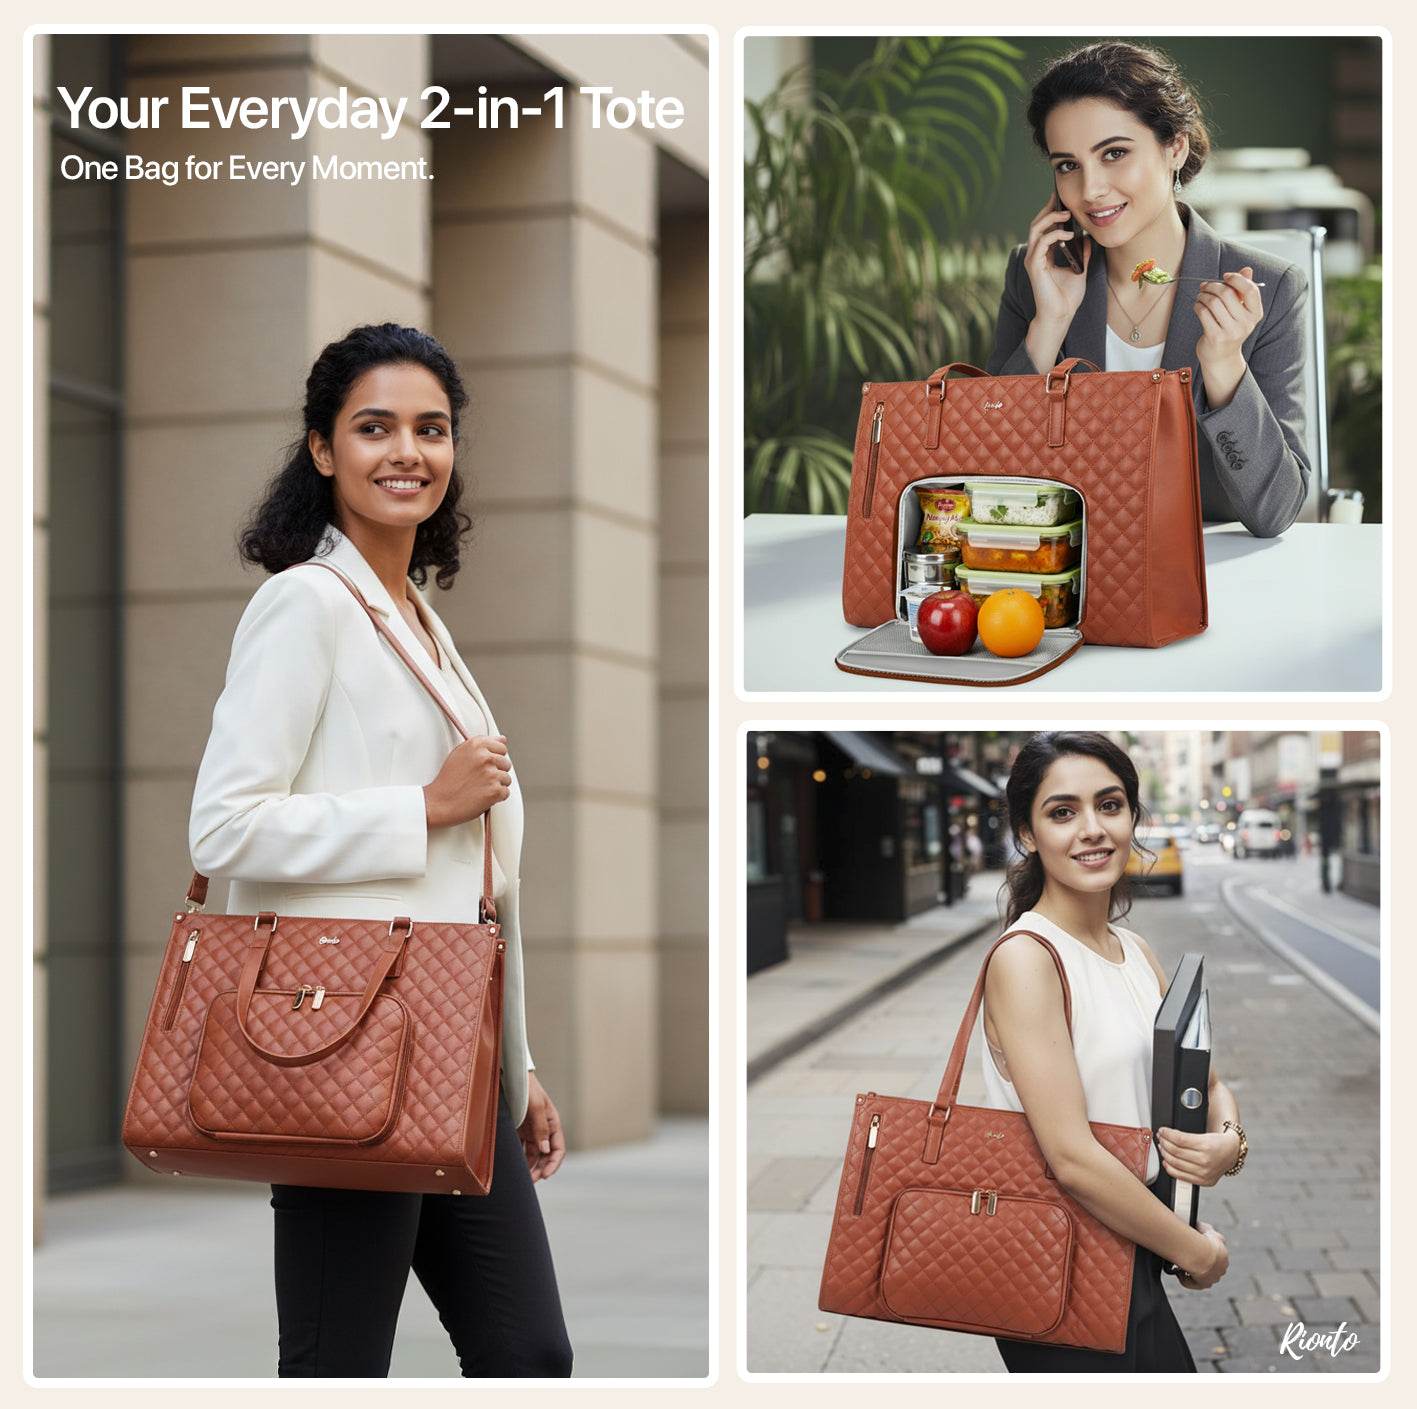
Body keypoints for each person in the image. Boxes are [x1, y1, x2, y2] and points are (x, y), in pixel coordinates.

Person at [188, 323, 573, 1378]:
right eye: (375, 427)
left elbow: (482, 883)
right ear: (321, 449)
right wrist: (422, 806)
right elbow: (222, 826)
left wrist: (516, 1059)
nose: (408, 450)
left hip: (452, 1051)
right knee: (336, 1364)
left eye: (430, 429)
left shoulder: (414, 614)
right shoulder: (304, 605)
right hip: (341, 1047)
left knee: (529, 1352)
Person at [981, 732, 1246, 1372]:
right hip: (1060, 1270)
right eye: (1062, 812)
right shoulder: (1026, 959)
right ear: (1027, 834)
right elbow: (1071, 1159)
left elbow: (1208, 1086)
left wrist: (1230, 1144)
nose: (1092, 829)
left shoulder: (1136, 952)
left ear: (1132, 817)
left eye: (1110, 804)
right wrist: (1195, 1251)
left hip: (1131, 1251)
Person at [986, 41, 1310, 538]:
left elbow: (1275, 511)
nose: (1090, 189)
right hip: (1071, 569)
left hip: (1212, 572)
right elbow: (991, 473)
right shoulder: (1034, 276)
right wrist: (1048, 325)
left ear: (1174, 147)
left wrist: (1224, 366)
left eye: (1114, 154)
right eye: (1067, 165)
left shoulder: (1273, 289)